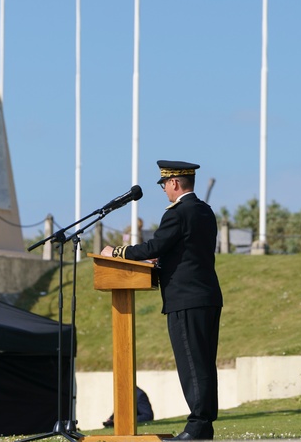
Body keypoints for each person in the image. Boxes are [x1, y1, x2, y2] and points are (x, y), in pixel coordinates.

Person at [102, 160, 223, 441]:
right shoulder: (204, 211)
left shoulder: (178, 213)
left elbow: (155, 246)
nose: (165, 191)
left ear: (174, 183)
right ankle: (204, 425)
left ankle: (197, 426)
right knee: (204, 363)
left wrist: (117, 253)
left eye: (165, 185)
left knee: (192, 364)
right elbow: (184, 251)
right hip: (206, 296)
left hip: (186, 298)